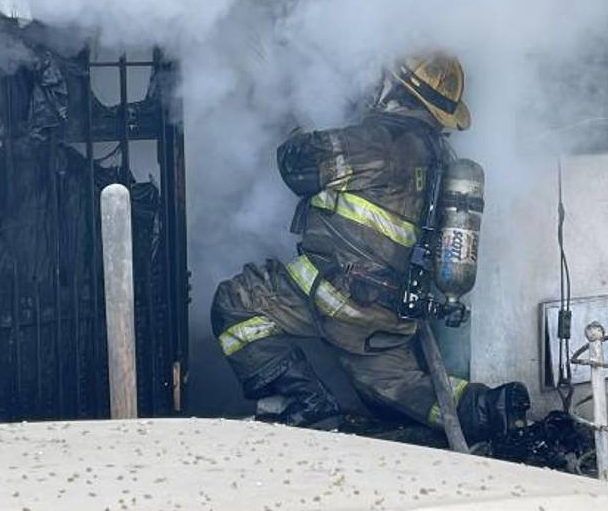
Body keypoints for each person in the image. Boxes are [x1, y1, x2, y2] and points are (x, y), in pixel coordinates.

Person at [211, 52, 531, 443]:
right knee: (398, 390)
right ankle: (486, 408)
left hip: (337, 297)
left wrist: (288, 112)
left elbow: (297, 166)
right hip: (390, 315)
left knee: (236, 302)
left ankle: (307, 405)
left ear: (393, 87)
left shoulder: (380, 141)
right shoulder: (438, 154)